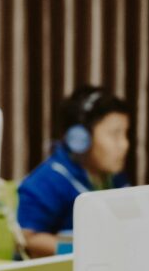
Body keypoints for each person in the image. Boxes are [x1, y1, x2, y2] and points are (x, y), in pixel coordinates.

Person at [16, 84, 131, 258]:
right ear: (80, 139)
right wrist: (82, 251)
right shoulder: (47, 181)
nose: (124, 144)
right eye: (115, 134)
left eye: (125, 134)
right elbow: (28, 240)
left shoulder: (115, 177)